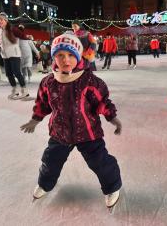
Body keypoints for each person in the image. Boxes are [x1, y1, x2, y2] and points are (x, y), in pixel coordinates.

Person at [19, 32, 122, 209]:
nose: (66, 60)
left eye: (70, 55)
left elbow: (102, 101)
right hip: (60, 132)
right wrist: (34, 120)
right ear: (54, 57)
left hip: (88, 132)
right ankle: (45, 184)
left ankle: (112, 187)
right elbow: (42, 104)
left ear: (78, 56)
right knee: (50, 161)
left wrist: (112, 117)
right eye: (60, 55)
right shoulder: (48, 82)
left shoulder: (89, 80)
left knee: (100, 162)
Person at [0, 12, 30, 99]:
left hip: (14, 54)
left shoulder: (12, 29)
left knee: (17, 73)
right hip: (5, 55)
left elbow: (22, 36)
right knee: (8, 74)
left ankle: (24, 90)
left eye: (1, 19)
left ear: (6, 20)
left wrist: (27, 35)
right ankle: (15, 90)